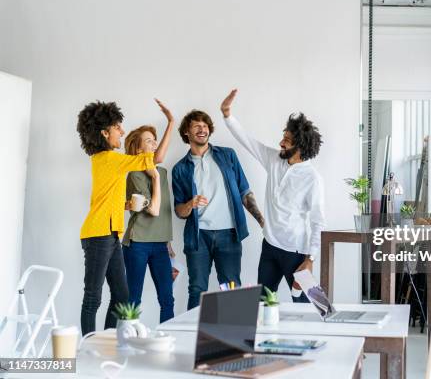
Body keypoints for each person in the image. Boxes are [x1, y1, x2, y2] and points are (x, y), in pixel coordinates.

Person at [220, 89, 325, 302]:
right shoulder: (274, 159)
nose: (281, 143)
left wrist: (310, 258)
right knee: (263, 303)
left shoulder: (312, 178)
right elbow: (247, 141)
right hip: (270, 246)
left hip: (296, 252)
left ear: (301, 146)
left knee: (312, 305)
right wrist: (227, 115)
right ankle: (267, 336)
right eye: (283, 137)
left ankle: (323, 334)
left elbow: (318, 221)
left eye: (287, 140)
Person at [77, 101, 157, 335]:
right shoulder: (109, 159)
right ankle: (87, 347)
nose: (121, 131)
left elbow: (104, 198)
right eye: (117, 127)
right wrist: (171, 123)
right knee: (93, 296)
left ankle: (106, 340)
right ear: (104, 132)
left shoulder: (106, 161)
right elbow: (151, 158)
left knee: (121, 296)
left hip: (111, 234)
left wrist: (125, 205)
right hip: (98, 234)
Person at [172, 108, 264, 310]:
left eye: (205, 125)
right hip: (198, 238)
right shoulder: (180, 168)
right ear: (186, 132)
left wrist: (263, 221)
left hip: (229, 234)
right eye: (196, 125)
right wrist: (190, 204)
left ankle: (236, 336)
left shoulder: (227, 156)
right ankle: (193, 338)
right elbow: (179, 211)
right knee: (197, 289)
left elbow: (244, 192)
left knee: (231, 288)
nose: (202, 129)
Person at [122, 99, 175, 323]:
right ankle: (127, 342)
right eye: (149, 141)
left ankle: (167, 340)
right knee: (133, 300)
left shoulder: (160, 172)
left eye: (155, 141)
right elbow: (153, 210)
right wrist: (153, 177)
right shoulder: (134, 174)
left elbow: (163, 212)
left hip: (160, 244)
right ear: (137, 148)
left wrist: (171, 122)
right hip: (138, 243)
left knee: (167, 299)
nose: (154, 144)